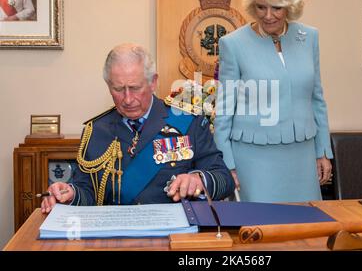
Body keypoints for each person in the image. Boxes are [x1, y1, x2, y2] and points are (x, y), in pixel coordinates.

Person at [41, 43, 234, 213]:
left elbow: (224, 178)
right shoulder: (96, 130)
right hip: (113, 238)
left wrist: (198, 180)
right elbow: (87, 192)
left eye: (134, 88)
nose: (127, 99)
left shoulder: (188, 122)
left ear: (153, 82)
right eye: (118, 89)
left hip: (174, 236)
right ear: (108, 86)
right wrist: (70, 193)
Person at [214, 0, 333, 203]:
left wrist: (323, 152)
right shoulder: (233, 44)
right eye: (261, 7)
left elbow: (316, 99)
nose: (268, 15)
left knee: (308, 228)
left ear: (291, 5)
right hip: (253, 159)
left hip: (302, 155)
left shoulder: (309, 37)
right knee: (261, 229)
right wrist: (226, 163)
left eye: (277, 7)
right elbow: (224, 110)